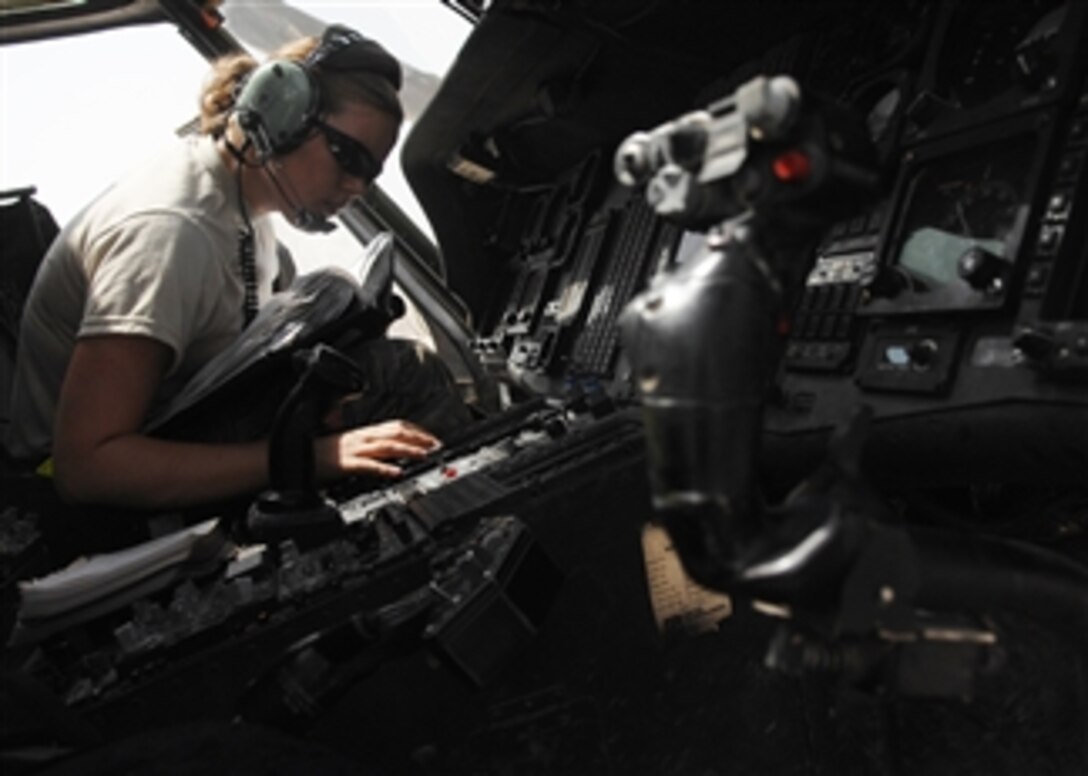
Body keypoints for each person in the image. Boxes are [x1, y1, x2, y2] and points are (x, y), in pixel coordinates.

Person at [5, 25, 470, 558]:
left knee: (371, 375)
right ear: (279, 116)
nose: (358, 186)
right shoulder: (170, 232)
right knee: (405, 375)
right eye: (350, 158)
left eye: (372, 172)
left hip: (170, 431)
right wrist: (312, 456)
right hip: (88, 515)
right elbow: (87, 468)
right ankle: (450, 552)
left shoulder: (243, 207)